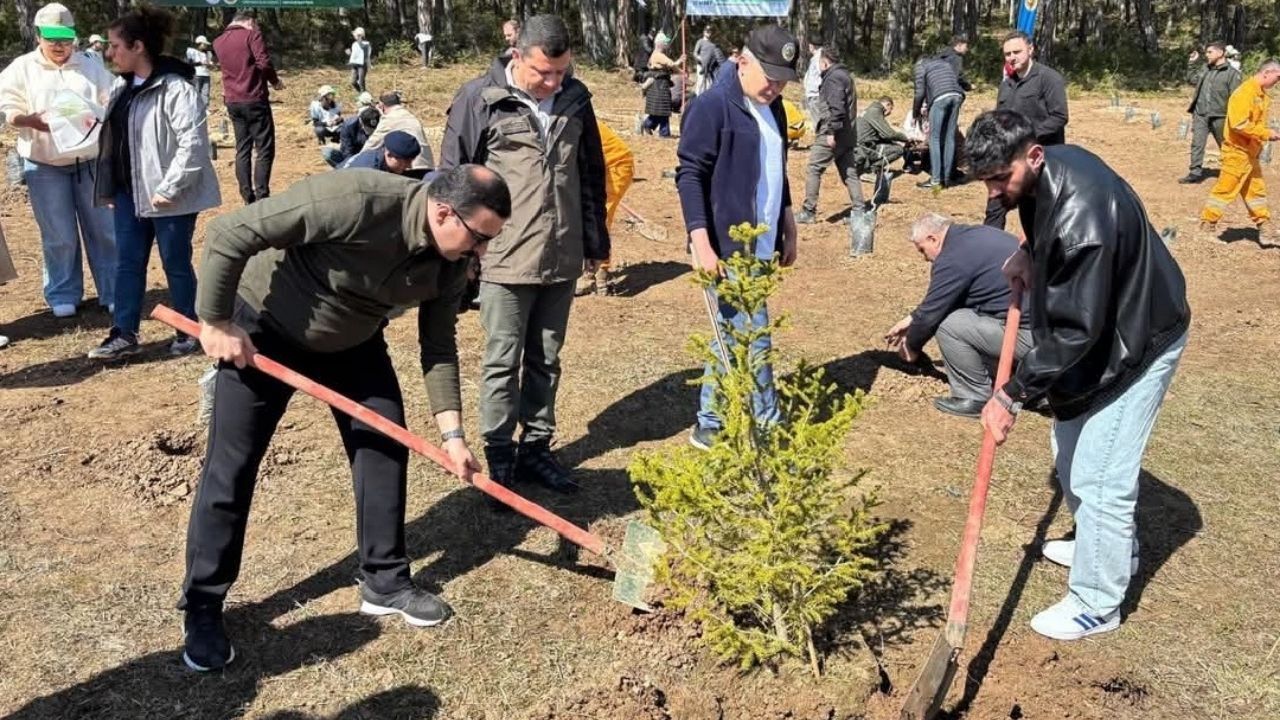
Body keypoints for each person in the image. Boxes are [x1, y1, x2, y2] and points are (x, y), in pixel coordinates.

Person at [178, 165, 510, 673]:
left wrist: (453, 435)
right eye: (480, 237)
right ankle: (203, 603)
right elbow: (230, 232)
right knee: (233, 466)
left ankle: (385, 581)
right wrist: (216, 321)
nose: (482, 252)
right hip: (265, 328)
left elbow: (439, 346)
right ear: (444, 212)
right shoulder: (357, 199)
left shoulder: (451, 262)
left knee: (383, 446)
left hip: (354, 341)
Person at [967, 109, 1190, 641]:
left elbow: (1075, 331)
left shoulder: (1080, 220)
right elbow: (1052, 237)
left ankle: (1097, 601)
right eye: (986, 181)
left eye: (1000, 178)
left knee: (1100, 474)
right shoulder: (1044, 174)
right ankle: (1106, 544)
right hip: (1104, 322)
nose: (995, 192)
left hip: (1139, 336)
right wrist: (1030, 252)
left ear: (1033, 156)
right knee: (1067, 447)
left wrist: (1011, 394)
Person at [440, 14, 609, 493]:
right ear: (517, 56)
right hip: (503, 258)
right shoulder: (480, 99)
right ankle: (500, 456)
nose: (553, 82)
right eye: (543, 72)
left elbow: (591, 173)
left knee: (546, 359)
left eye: (561, 71)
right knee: (501, 360)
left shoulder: (576, 99)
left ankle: (536, 449)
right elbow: (452, 180)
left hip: (561, 255)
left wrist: (594, 242)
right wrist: (463, 256)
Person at [676, 24, 799, 450]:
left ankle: (709, 422)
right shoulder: (711, 107)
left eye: (783, 81)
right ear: (743, 61)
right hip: (727, 248)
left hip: (763, 242)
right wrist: (701, 243)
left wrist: (788, 224)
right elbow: (690, 176)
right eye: (770, 78)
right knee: (755, 335)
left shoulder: (774, 107)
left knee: (730, 332)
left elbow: (777, 170)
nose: (776, 88)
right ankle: (767, 428)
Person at [88, 5, 221, 360]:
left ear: (138, 47)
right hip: (128, 195)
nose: (109, 53)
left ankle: (188, 331)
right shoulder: (121, 87)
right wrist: (112, 186)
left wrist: (169, 188)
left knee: (175, 263)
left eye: (115, 46)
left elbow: (193, 145)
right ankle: (123, 333)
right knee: (127, 264)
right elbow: (116, 142)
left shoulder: (177, 90)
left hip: (169, 196)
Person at [0, 2, 117, 318]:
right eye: (52, 39)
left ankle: (113, 289)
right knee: (58, 234)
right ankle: (63, 292)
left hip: (90, 162)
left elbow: (110, 98)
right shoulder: (22, 68)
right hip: (45, 165)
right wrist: (28, 120)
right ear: (38, 36)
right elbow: (9, 106)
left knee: (104, 230)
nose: (59, 46)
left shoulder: (90, 65)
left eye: (65, 39)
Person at [883, 213, 1031, 417]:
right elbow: (946, 299)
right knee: (963, 317)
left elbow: (932, 315)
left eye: (922, 250)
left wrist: (911, 348)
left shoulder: (952, 258)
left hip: (1030, 337)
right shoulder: (974, 236)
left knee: (949, 324)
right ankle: (1025, 383)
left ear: (933, 239)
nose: (924, 258)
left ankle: (974, 397)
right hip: (1054, 331)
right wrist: (911, 318)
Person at [986, 31, 1067, 229]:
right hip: (1009, 157)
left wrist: (1027, 136)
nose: (1012, 57)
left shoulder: (1049, 78)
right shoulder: (1006, 84)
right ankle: (988, 244)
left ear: (1030, 50)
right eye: (1007, 54)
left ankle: (1036, 246)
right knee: (995, 206)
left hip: (1041, 159)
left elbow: (1059, 117)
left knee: (1034, 213)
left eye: (1017, 52)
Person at [1199, 59, 1280, 241]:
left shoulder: (1261, 95)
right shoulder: (1245, 93)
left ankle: (1265, 227)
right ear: (1266, 73)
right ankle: (1207, 225)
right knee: (1225, 190)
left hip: (1250, 153)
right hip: (1236, 152)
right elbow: (1239, 124)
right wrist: (1266, 133)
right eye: (1278, 77)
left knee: (1256, 191)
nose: (1278, 82)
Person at [213, 10, 283, 205]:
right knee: (264, 148)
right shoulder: (252, 35)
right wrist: (275, 81)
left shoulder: (218, 42)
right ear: (249, 22)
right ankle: (262, 195)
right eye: (256, 25)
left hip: (232, 101)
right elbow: (264, 62)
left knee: (242, 149)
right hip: (254, 98)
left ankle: (247, 196)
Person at [795, 49, 861, 224]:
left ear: (824, 63)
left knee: (814, 168)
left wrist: (831, 133)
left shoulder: (833, 78)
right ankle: (859, 211)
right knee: (849, 172)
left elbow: (837, 109)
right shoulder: (845, 76)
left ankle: (808, 211)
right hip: (847, 134)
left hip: (832, 133)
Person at [575, 120, 634, 296]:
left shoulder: (573, 123)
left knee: (598, 219)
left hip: (616, 166)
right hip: (600, 166)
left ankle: (599, 276)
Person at [1180, 43, 1242, 184]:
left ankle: (1233, 172)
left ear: (1220, 53)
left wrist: (1235, 119)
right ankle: (1195, 173)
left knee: (1226, 145)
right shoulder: (1205, 69)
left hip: (1220, 116)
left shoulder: (1232, 74)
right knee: (1197, 144)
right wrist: (1192, 63)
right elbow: (1192, 79)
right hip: (1201, 114)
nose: (1207, 55)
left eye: (1210, 52)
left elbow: (1237, 98)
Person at [912, 51, 965, 190]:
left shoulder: (920, 66)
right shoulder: (944, 64)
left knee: (934, 139)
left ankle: (935, 180)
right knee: (949, 137)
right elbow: (957, 79)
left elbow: (919, 93)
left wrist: (915, 114)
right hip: (957, 95)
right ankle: (946, 179)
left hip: (941, 98)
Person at [364, 91, 434, 170]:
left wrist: (356, 160)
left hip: (410, 166)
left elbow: (372, 144)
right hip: (427, 165)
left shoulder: (390, 118)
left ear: (382, 105)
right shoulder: (408, 115)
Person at [640, 33, 683, 137]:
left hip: (661, 84)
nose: (667, 45)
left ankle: (650, 126)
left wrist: (679, 63)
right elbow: (671, 64)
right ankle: (660, 131)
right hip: (658, 85)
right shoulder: (658, 55)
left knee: (662, 110)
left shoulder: (658, 55)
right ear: (660, 44)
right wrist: (681, 69)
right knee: (662, 110)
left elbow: (670, 66)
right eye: (665, 43)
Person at [855, 96, 909, 174]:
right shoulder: (875, 112)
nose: (890, 113)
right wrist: (906, 139)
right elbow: (889, 134)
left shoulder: (869, 110)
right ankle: (873, 168)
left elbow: (882, 135)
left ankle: (868, 166)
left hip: (857, 147)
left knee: (890, 143)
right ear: (887, 104)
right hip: (864, 148)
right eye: (891, 109)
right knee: (899, 150)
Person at [340, 130, 420, 174]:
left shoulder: (377, 156)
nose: (409, 166)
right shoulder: (370, 172)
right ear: (389, 155)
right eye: (405, 161)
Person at [185, 35, 214, 110]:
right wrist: (200, 63)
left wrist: (210, 65)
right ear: (199, 43)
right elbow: (189, 63)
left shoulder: (208, 53)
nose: (206, 46)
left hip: (206, 74)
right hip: (197, 74)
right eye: (204, 44)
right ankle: (195, 108)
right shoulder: (192, 51)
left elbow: (210, 65)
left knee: (205, 93)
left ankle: (205, 109)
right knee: (196, 92)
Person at [693, 26, 724, 95]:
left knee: (708, 85)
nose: (708, 32)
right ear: (704, 32)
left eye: (710, 31)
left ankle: (706, 98)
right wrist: (700, 59)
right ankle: (698, 98)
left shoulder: (713, 45)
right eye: (707, 31)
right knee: (700, 83)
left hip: (709, 68)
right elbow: (695, 53)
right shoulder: (700, 41)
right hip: (701, 66)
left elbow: (716, 57)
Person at [803, 38, 824, 132]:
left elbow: (822, 74)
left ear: (812, 46)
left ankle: (822, 138)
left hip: (815, 94)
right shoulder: (816, 57)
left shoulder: (819, 58)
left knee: (818, 122)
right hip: (813, 94)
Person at [348, 27, 371, 93]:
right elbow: (355, 55)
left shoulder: (366, 44)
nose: (355, 36)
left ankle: (363, 94)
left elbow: (366, 55)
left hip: (362, 65)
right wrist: (350, 53)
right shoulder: (354, 44)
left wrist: (369, 65)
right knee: (353, 82)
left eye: (357, 35)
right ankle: (362, 94)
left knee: (361, 82)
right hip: (354, 65)